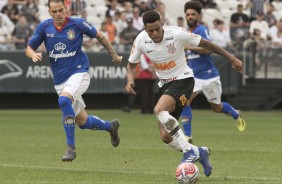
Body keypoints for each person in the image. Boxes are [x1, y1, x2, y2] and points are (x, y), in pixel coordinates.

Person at [125, 10, 243, 177]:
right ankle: (199, 151)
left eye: (158, 28)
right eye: (151, 30)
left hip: (184, 80)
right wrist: (130, 80)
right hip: (164, 85)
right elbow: (131, 65)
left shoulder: (177, 33)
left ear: (162, 23)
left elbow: (206, 44)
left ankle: (189, 152)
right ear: (145, 29)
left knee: (159, 110)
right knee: (165, 137)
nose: (155, 33)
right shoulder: (141, 40)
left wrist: (231, 58)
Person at [25, 0, 122, 162]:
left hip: (79, 73)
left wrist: (113, 55)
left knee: (64, 100)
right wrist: (33, 54)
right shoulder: (44, 27)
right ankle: (110, 126)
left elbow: (100, 36)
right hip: (60, 80)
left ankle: (70, 148)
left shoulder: (77, 24)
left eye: (60, 10)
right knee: (83, 122)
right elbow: (29, 48)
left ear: (66, 8)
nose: (58, 14)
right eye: (54, 11)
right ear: (49, 12)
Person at [180, 1, 246, 144]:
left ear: (199, 15)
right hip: (193, 76)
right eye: (188, 14)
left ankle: (236, 114)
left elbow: (207, 49)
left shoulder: (201, 29)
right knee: (184, 102)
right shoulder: (186, 32)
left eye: (193, 14)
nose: (190, 17)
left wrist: (189, 47)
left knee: (216, 108)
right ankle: (188, 136)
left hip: (209, 75)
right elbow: (189, 53)